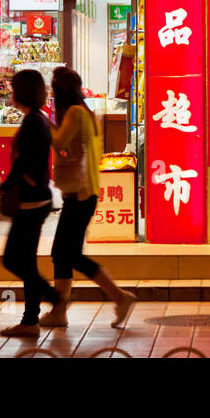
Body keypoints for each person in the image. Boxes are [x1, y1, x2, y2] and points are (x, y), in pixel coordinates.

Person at [40, 66, 137, 328]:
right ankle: (62, 311)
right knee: (63, 253)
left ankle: (118, 296)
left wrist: (42, 120)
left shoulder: (73, 113)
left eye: (53, 87)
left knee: (67, 254)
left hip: (80, 194)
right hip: (84, 192)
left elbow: (59, 143)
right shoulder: (87, 112)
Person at [0, 69, 61, 338]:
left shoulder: (34, 122)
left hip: (31, 202)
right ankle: (30, 319)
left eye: (14, 88)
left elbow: (26, 162)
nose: (11, 92)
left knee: (14, 259)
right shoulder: (39, 118)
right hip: (36, 199)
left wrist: (5, 186)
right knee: (25, 260)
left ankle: (52, 297)